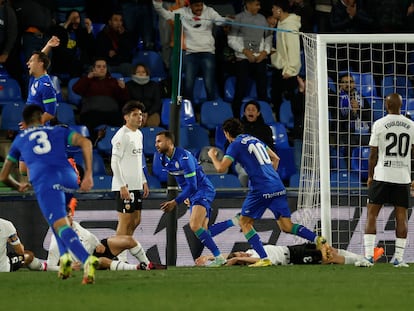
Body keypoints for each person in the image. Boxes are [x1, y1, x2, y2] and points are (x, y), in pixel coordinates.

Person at [207, 118, 327, 267]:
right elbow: (276, 158)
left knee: (245, 222)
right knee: (286, 226)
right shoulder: (254, 140)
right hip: (277, 185)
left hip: (261, 188)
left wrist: (212, 155)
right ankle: (317, 239)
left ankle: (264, 258)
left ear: (226, 133)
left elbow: (221, 169)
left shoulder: (235, 145)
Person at [0, 105, 99, 284]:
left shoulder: (21, 139)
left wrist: (17, 186)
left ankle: (86, 259)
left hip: (46, 180)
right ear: (41, 118)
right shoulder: (58, 131)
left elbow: (4, 176)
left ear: (25, 122)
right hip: (69, 177)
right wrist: (89, 174)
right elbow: (86, 142)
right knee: (59, 221)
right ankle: (65, 259)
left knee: (59, 223)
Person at [355, 93, 414, 268]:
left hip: (382, 175)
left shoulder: (379, 124)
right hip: (402, 176)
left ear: (386, 106)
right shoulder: (411, 125)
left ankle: (368, 257)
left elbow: (373, 154)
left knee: (372, 214)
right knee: (401, 216)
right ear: (401, 106)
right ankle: (398, 258)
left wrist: (371, 175)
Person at [155, 130, 226, 267]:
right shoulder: (163, 159)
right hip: (193, 193)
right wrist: (186, 194)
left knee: (194, 225)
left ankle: (219, 258)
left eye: (159, 141)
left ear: (169, 142)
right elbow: (181, 179)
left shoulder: (184, 158)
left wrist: (176, 201)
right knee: (203, 231)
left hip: (203, 190)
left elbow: (193, 186)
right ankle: (233, 222)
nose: (156, 144)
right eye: (156, 141)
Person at [47, 205, 166, 271]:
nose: (70, 219)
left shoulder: (74, 225)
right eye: (67, 217)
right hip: (86, 262)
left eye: (70, 216)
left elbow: (88, 235)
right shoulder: (55, 242)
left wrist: (97, 243)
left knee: (129, 240)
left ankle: (148, 264)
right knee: (103, 262)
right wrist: (70, 267)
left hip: (96, 250)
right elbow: (50, 267)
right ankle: (136, 268)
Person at [153, 0, 226, 102]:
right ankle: (189, 109)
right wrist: (158, 5)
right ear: (190, 6)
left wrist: (226, 20)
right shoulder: (183, 12)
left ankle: (211, 107)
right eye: (196, 6)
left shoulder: (209, 11)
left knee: (209, 85)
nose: (199, 8)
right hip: (191, 54)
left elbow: (219, 20)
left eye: (201, 5)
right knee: (188, 85)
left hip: (208, 53)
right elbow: (167, 15)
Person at [111, 101, 149, 241]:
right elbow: (114, 162)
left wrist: (143, 180)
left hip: (136, 184)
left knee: (136, 220)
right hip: (125, 186)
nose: (140, 117)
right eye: (135, 115)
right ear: (126, 117)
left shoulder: (139, 134)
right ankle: (119, 258)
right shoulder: (122, 135)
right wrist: (122, 185)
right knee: (125, 221)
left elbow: (138, 160)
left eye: (141, 114)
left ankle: (122, 249)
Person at [227, 0, 271, 117]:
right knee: (240, 88)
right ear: (248, 4)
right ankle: (236, 116)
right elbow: (231, 40)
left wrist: (264, 52)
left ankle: (264, 116)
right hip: (243, 58)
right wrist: (245, 51)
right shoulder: (239, 18)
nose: (259, 7)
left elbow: (268, 38)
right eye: (257, 5)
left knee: (262, 89)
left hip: (259, 58)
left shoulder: (262, 19)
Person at [72, 57, 129, 141]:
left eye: (104, 67)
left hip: (111, 113)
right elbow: (76, 89)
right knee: (88, 122)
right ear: (93, 69)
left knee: (121, 121)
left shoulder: (113, 81)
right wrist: (88, 78)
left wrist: (123, 89)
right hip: (91, 112)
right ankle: (92, 145)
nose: (102, 69)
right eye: (99, 67)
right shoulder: (88, 80)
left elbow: (124, 99)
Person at [195, 242, 385, 266]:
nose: (241, 253)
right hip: (294, 258)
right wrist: (236, 259)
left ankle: (363, 258)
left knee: (328, 248)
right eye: (241, 256)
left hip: (292, 249)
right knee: (328, 258)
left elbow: (225, 256)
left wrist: (208, 257)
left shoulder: (252, 251)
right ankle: (362, 262)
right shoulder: (255, 261)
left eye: (240, 252)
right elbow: (231, 260)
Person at [270, 0, 301, 122]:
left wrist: (291, 69)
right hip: (280, 67)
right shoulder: (281, 23)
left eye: (273, 8)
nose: (272, 11)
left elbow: (293, 49)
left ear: (279, 9)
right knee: (276, 97)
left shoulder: (290, 25)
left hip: (287, 71)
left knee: (292, 100)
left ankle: (295, 128)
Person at [20, 36, 61, 130]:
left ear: (40, 64)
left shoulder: (46, 86)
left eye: (31, 61)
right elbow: (41, 57)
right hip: (31, 127)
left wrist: (32, 124)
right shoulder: (35, 79)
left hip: (40, 130)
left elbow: (50, 114)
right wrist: (48, 45)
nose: (27, 63)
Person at [49, 9, 95, 81]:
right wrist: (68, 22)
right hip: (64, 59)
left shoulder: (82, 31)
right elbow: (57, 38)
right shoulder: (62, 29)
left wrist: (89, 29)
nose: (75, 18)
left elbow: (90, 46)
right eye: (73, 17)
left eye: (77, 17)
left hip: (79, 60)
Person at [95, 11, 134, 76]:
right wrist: (107, 52)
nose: (119, 23)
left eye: (120, 21)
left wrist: (122, 36)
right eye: (115, 20)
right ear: (110, 22)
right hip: (107, 64)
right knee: (101, 69)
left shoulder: (126, 35)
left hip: (122, 63)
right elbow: (99, 52)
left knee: (130, 68)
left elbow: (128, 52)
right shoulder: (102, 35)